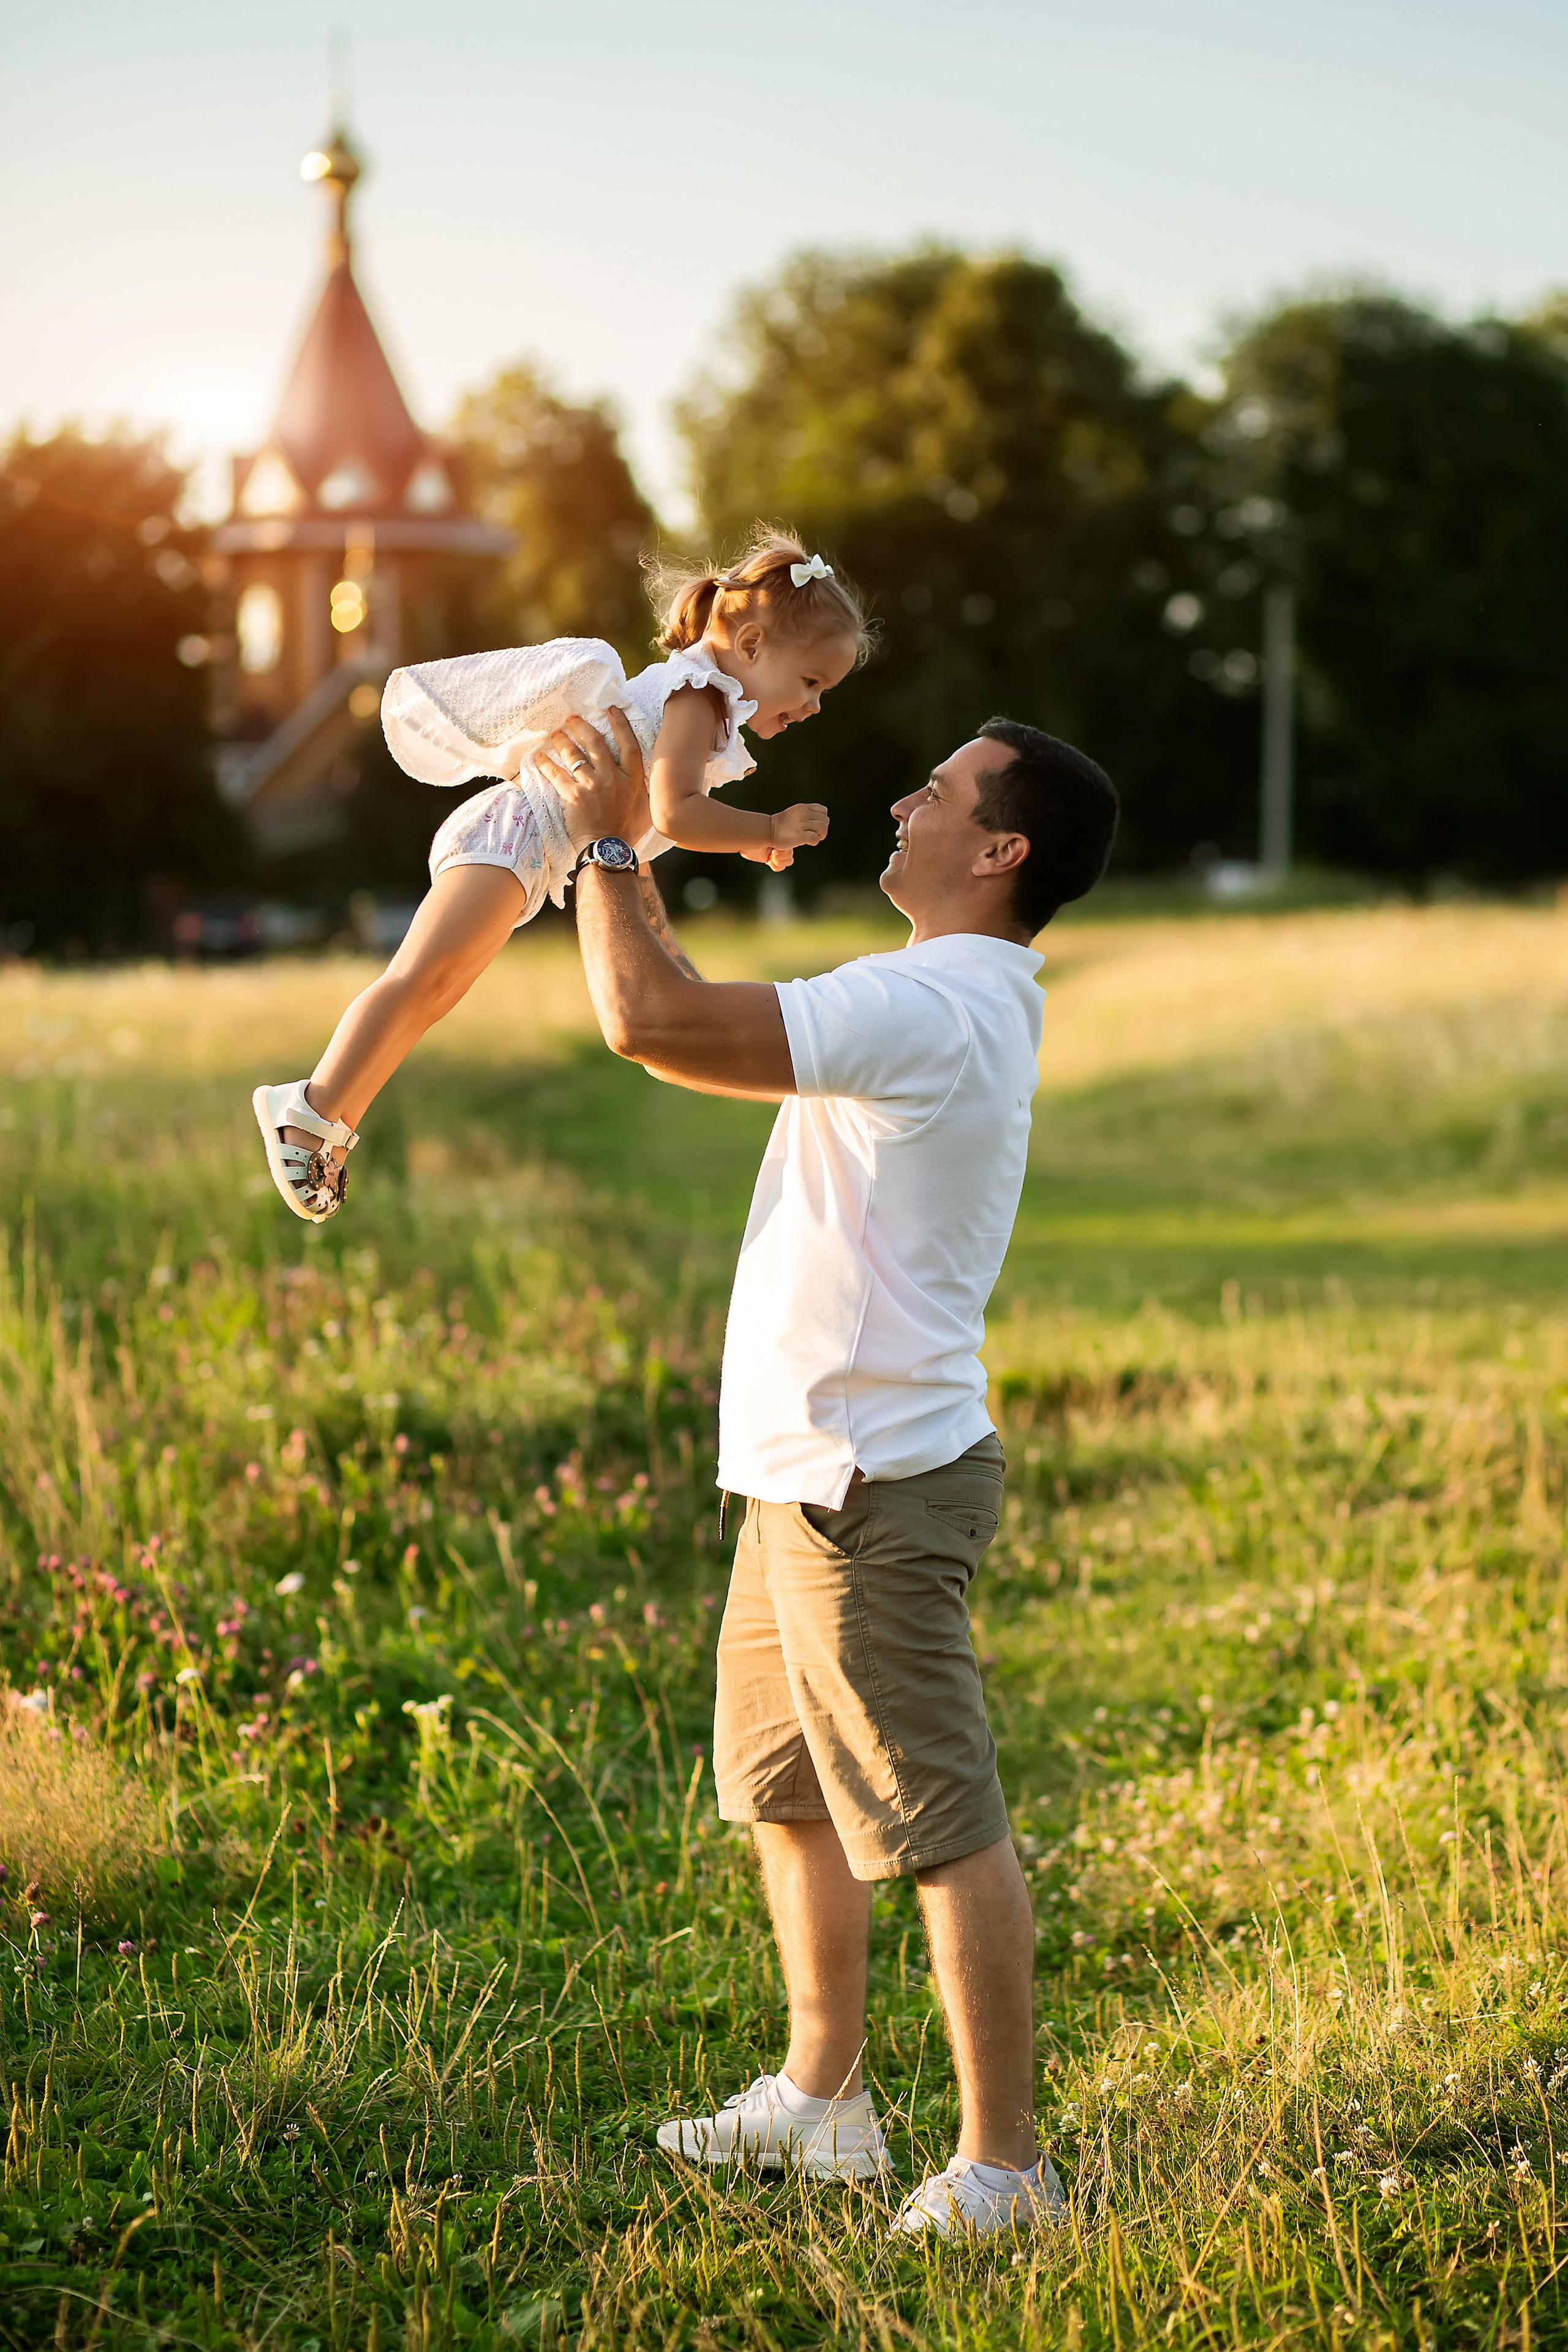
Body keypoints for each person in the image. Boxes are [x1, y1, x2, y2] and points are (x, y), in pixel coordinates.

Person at [537, 699, 1119, 2241]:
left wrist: (603, 835)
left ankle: (1007, 2168)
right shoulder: (951, 990)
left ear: (994, 848)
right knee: (787, 1790)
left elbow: (647, 1021)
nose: (896, 806)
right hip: (801, 1466)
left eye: (932, 794)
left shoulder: (931, 1002)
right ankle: (824, 2100)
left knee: (937, 1818)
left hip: (871, 1483)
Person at [251, 529, 869, 1224]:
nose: (814, 706)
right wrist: (766, 830)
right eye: (812, 683)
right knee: (419, 978)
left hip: (529, 850)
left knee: (435, 990)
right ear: (752, 645)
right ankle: (308, 1108)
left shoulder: (705, 703)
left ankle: (329, 1123)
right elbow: (676, 809)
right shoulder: (698, 695)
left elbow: (658, 820)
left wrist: (748, 847)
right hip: (516, 834)